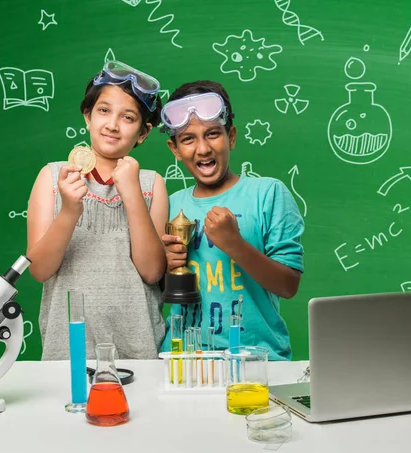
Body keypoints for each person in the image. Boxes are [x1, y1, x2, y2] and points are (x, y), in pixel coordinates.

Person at [27, 61, 168, 360]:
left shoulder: (151, 183)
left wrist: (131, 195)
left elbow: (152, 271)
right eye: (104, 111)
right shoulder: (52, 178)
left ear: (143, 133)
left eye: (128, 117)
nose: (113, 124)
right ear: (88, 117)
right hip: (69, 351)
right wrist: (68, 210)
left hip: (138, 350)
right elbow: (39, 269)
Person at [160, 81, 304, 360]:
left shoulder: (268, 194)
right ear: (175, 149)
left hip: (256, 359)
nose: (202, 149)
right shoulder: (170, 204)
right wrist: (164, 266)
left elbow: (288, 286)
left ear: (232, 137)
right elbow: (157, 291)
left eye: (212, 134)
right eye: (188, 139)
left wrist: (234, 244)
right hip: (182, 360)